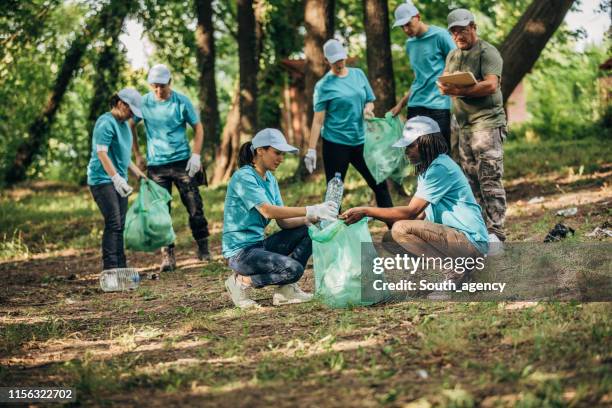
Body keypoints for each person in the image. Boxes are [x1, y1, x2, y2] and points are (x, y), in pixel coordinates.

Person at [340, 116, 489, 284]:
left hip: (471, 242)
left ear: (427, 142)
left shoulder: (440, 168)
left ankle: (455, 271)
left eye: (410, 146)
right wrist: (369, 216)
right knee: (391, 239)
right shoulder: (428, 169)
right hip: (456, 240)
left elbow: (411, 212)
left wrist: (366, 210)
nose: (406, 151)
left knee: (400, 229)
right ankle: (458, 270)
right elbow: (419, 218)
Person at [223, 129, 338, 309]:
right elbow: (268, 211)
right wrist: (311, 208)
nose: (281, 159)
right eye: (277, 153)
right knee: (293, 269)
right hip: (241, 253)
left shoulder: (270, 179)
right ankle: (241, 281)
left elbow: (283, 222)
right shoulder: (244, 177)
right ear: (260, 150)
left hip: (259, 246)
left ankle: (286, 291)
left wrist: (313, 217)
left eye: (282, 154)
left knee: (310, 231)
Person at [437, 8, 507, 244]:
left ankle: (496, 232)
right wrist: (446, 87)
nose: (458, 35)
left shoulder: (488, 52)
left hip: (487, 125)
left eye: (463, 30)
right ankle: (479, 231)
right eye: (454, 32)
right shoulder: (453, 56)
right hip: (464, 128)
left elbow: (490, 86)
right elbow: (445, 80)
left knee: (489, 179)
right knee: (470, 181)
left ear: (474, 28)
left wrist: (459, 90)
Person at [132, 64, 211, 272]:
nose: (158, 91)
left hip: (182, 163)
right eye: (154, 86)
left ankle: (203, 245)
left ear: (170, 83)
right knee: (160, 212)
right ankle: (168, 255)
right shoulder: (144, 103)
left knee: (194, 206)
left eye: (162, 86)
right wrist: (138, 154)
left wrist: (196, 155)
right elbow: (131, 125)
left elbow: (198, 127)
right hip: (156, 167)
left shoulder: (181, 101)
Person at [304, 39, 393, 211]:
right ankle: (332, 235)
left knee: (380, 185)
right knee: (334, 194)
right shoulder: (323, 86)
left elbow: (369, 101)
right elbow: (317, 120)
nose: (339, 62)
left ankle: (395, 229)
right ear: (326, 60)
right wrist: (311, 149)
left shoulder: (358, 74)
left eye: (341, 58)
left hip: (361, 142)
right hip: (336, 144)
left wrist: (368, 109)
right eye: (334, 60)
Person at [87, 89, 147, 271]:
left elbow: (124, 157)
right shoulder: (105, 123)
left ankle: (121, 268)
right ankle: (111, 269)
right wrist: (116, 178)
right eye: (131, 110)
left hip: (118, 180)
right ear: (121, 104)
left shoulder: (124, 126)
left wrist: (138, 174)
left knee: (121, 224)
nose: (132, 115)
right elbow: (101, 153)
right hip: (102, 180)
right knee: (113, 222)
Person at [389, 1, 456, 149]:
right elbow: (419, 78)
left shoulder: (440, 36)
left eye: (408, 24)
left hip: (438, 105)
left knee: (441, 154)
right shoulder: (410, 44)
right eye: (402, 26)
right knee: (417, 155)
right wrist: (401, 104)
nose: (406, 29)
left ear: (417, 17)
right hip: (415, 106)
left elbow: (458, 62)